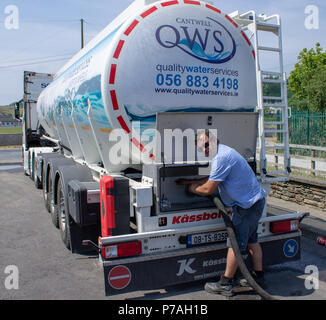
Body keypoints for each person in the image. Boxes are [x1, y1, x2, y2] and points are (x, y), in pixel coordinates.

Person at [176, 130, 266, 297]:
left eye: (207, 144)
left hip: (247, 207)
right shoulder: (225, 153)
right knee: (252, 240)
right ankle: (258, 277)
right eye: (202, 148)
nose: (205, 149)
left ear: (215, 140)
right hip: (255, 202)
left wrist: (191, 188)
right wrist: (191, 181)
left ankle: (225, 283)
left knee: (235, 244)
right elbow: (212, 178)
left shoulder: (222, 158)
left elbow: (209, 188)